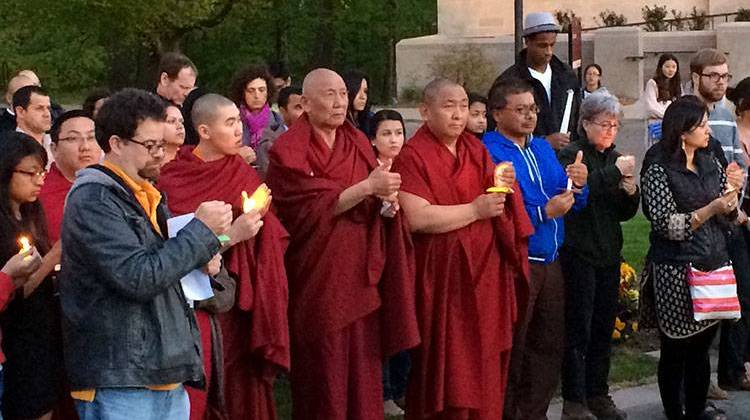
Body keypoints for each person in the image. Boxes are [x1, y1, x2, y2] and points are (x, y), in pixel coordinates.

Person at [58, 88, 233, 420]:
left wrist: (201, 256)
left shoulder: (146, 193)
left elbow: (163, 261)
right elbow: (137, 276)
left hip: (160, 370)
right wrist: (199, 233)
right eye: (151, 145)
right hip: (120, 377)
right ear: (116, 143)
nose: (161, 155)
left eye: (163, 145)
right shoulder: (94, 198)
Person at [266, 68, 419, 420]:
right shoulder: (288, 149)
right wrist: (366, 188)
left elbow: (370, 198)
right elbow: (302, 210)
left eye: (342, 94)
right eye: (329, 95)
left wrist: (386, 205)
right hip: (318, 276)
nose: (339, 103)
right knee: (325, 373)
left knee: (364, 373)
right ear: (304, 102)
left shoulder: (357, 140)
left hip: (361, 271)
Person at [392, 78, 532, 419]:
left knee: (484, 362)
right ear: (425, 111)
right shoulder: (412, 156)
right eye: (448, 106)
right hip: (442, 281)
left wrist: (504, 188)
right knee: (448, 365)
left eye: (463, 106)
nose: (458, 115)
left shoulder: (475, 149)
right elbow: (417, 218)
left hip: (485, 277)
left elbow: (498, 204)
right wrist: (475, 210)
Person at [158, 93, 289, 420]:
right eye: (229, 123)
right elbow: (176, 245)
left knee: (239, 381)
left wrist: (262, 224)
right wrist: (237, 234)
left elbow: (271, 237)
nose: (238, 132)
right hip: (192, 299)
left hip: (241, 298)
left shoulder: (242, 172)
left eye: (239, 123)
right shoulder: (174, 176)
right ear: (204, 130)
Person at [482, 78, 589, 420]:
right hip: (517, 259)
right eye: (520, 109)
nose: (529, 116)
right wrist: (544, 212)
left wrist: (579, 184)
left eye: (533, 109)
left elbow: (567, 194)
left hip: (551, 257)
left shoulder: (541, 148)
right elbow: (498, 208)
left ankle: (534, 412)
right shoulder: (488, 150)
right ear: (497, 113)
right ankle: (505, 411)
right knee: (515, 343)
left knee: (548, 343)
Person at [641, 97, 737, 420]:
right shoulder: (658, 166)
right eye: (702, 125)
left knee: (701, 352)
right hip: (675, 269)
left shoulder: (711, 160)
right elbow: (665, 223)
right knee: (676, 349)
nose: (709, 131)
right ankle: (674, 412)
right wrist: (710, 209)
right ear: (683, 131)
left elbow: (728, 213)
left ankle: (696, 411)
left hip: (712, 265)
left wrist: (731, 200)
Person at [558, 91, 639, 420]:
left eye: (616, 125)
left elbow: (623, 212)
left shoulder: (615, 158)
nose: (610, 130)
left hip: (609, 252)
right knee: (579, 327)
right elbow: (579, 196)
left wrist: (630, 191)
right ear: (585, 124)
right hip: (579, 252)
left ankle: (598, 392)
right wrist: (614, 175)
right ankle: (574, 398)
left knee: (604, 326)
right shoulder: (572, 154)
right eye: (604, 124)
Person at [0, 131, 62, 420]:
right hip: (15, 343)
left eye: (42, 172)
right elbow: (15, 294)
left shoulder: (29, 215)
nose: (40, 180)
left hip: (42, 334)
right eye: (30, 173)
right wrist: (53, 258)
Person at [367, 109, 410, 417]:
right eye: (386, 133)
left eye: (398, 132)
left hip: (408, 253)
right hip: (377, 256)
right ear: (372, 139)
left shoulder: (411, 166)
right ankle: (384, 391)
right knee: (382, 320)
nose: (394, 139)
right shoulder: (367, 171)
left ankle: (403, 386)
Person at [494, 12, 580, 151]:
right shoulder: (509, 81)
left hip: (566, 162)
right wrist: (543, 142)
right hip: (527, 159)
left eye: (552, 45)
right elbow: (500, 129)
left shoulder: (566, 75)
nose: (548, 52)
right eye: (542, 45)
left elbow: (578, 117)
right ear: (527, 42)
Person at [40, 110, 100, 245]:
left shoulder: (116, 186)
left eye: (92, 137)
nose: (85, 147)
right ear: (54, 149)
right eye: (73, 138)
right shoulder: (39, 191)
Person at [229, 63, 285, 176]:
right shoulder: (232, 122)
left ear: (268, 92)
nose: (257, 95)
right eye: (251, 90)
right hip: (239, 182)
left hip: (271, 184)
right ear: (242, 93)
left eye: (261, 90)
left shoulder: (278, 123)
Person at [642, 54, 682, 146]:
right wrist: (669, 116)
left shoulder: (677, 84)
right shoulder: (652, 83)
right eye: (667, 66)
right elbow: (651, 107)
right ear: (661, 67)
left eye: (673, 67)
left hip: (673, 125)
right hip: (657, 124)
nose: (671, 70)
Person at [13, 85, 53, 165]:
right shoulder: (8, 149)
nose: (47, 114)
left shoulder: (56, 144)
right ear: (20, 112)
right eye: (39, 108)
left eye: (48, 108)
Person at [343, 70, 372, 136]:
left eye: (365, 91)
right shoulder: (338, 122)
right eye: (357, 90)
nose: (363, 97)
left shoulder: (370, 120)